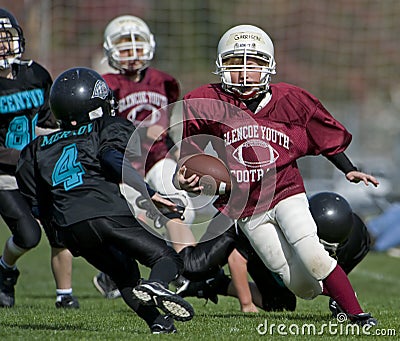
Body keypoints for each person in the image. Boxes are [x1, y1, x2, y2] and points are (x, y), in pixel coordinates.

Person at [174, 24, 379, 326]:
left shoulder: (292, 100)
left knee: (310, 251)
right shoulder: (207, 101)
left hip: (285, 190)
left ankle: (357, 314)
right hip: (247, 208)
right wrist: (186, 181)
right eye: (234, 63)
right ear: (220, 66)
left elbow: (323, 136)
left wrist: (348, 169)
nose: (244, 73)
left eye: (253, 63)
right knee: (301, 286)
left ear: (268, 66)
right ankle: (333, 291)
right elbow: (189, 159)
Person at [15, 67, 194, 334]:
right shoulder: (106, 126)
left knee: (125, 274)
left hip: (70, 228)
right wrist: (151, 193)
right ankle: (157, 284)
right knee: (167, 257)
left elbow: (33, 196)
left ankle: (158, 323)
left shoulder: (36, 147)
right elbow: (112, 160)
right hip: (107, 211)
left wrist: (57, 232)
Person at [93, 14, 199, 299]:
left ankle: (183, 271)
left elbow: (169, 123)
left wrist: (180, 150)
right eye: (125, 48)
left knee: (180, 208)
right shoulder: (104, 84)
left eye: (137, 46)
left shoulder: (165, 81)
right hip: (124, 162)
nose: (133, 54)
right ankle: (116, 271)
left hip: (158, 156)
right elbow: (101, 132)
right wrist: (139, 133)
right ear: (111, 50)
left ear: (150, 46)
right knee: (130, 222)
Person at [176, 192, 372, 315]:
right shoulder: (289, 224)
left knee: (282, 303)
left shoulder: (357, 239)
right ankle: (172, 214)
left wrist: (339, 296)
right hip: (238, 223)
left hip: (261, 241)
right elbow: (237, 258)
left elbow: (325, 274)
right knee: (193, 266)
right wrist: (246, 305)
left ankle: (215, 284)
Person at [0, 8, 78, 308]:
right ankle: (5, 269)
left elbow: (48, 122)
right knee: (28, 235)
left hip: (36, 169)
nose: (2, 45)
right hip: (5, 174)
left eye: (5, 38)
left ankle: (65, 295)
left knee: (61, 229)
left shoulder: (36, 74)